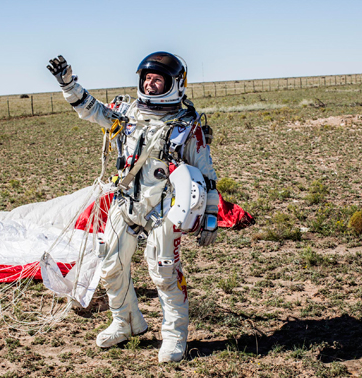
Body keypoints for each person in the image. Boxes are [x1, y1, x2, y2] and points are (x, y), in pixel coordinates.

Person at [47, 52, 219, 362]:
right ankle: (125, 322)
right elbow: (91, 110)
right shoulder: (125, 114)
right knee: (110, 264)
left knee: (164, 272)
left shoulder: (185, 126)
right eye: (147, 79)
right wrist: (69, 85)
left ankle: (174, 335)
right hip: (126, 201)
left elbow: (206, 173)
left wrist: (210, 215)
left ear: (174, 85)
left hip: (165, 209)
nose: (151, 85)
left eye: (158, 80)